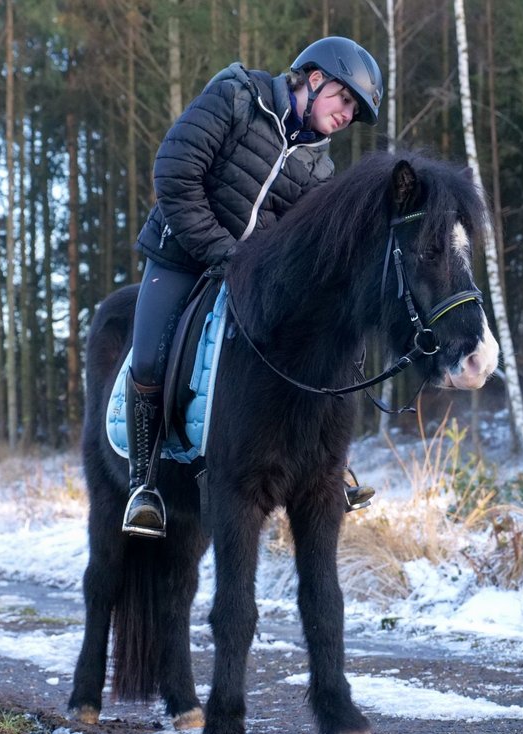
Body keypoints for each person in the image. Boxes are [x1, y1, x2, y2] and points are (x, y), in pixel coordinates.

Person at [123, 36, 383, 538]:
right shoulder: (237, 97)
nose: (348, 114)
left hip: (250, 273)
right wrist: (226, 253)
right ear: (313, 80)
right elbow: (176, 175)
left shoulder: (321, 168)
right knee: (150, 358)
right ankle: (144, 484)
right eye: (345, 99)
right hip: (180, 256)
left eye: (355, 109)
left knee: (327, 337)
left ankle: (329, 467)